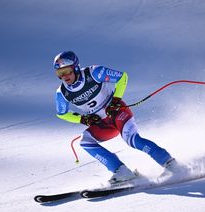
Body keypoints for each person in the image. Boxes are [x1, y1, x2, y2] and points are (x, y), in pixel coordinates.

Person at [53, 51, 176, 183]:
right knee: (85, 142)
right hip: (102, 124)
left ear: (76, 67)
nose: (64, 76)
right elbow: (63, 114)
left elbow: (122, 77)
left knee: (132, 139)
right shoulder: (62, 93)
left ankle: (169, 163)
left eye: (66, 71)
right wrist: (83, 119)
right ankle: (121, 172)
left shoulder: (94, 72)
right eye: (60, 73)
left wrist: (116, 100)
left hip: (117, 112)